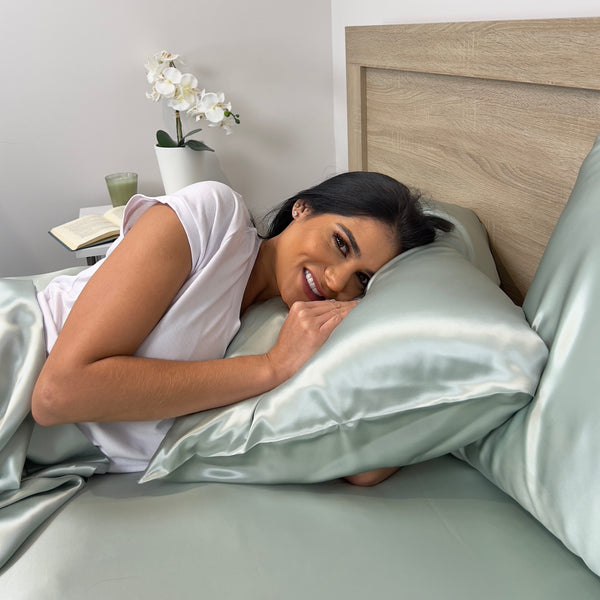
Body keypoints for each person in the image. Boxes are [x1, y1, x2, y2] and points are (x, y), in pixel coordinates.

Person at [31, 172, 451, 482]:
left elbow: (362, 470)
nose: (337, 282)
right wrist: (270, 367)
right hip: (21, 357)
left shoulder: (300, 329)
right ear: (302, 208)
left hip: (54, 458)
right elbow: (57, 393)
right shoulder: (215, 218)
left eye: (362, 279)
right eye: (340, 244)